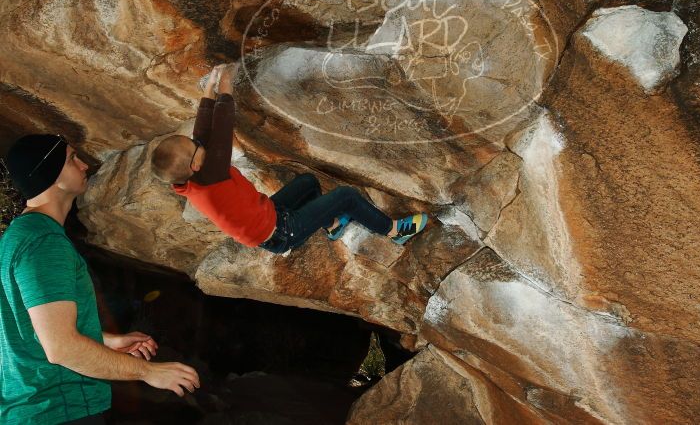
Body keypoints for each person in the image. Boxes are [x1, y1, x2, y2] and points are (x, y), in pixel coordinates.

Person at [1, 134, 200, 424]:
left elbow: (34, 328)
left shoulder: (17, 237)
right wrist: (151, 373)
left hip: (35, 409)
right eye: (72, 159)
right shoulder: (44, 243)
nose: (84, 165)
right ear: (52, 175)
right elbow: (61, 348)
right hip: (57, 408)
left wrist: (106, 340)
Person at [150, 66, 428, 254]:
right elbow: (221, 127)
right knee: (347, 196)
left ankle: (332, 225)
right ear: (196, 166)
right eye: (197, 150)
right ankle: (393, 231)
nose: (201, 145)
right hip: (282, 232)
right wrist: (225, 86)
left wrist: (208, 89)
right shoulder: (211, 175)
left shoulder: (193, 173)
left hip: (270, 213)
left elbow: (201, 135)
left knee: (308, 182)